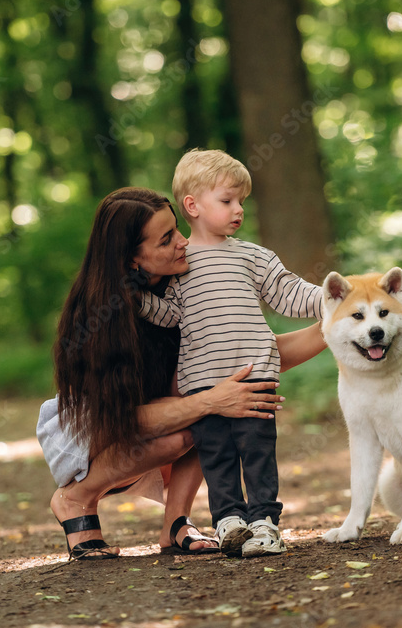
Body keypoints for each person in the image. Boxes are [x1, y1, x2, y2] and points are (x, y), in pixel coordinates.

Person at [39, 187, 326, 560]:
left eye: (177, 230)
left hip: (168, 409)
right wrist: (213, 398)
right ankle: (76, 496)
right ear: (132, 261)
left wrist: (333, 327)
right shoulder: (99, 318)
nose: (182, 243)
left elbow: (243, 354)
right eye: (166, 240)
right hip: (94, 427)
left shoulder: (185, 280)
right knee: (203, 412)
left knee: (207, 409)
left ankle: (174, 523)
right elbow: (124, 418)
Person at [136, 149, 323, 557]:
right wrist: (133, 298)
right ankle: (229, 522)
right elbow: (169, 315)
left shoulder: (252, 256)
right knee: (216, 458)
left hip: (255, 377)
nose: (238, 210)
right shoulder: (181, 267)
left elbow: (290, 294)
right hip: (204, 385)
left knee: (257, 454)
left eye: (241, 202)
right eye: (227, 201)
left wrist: (336, 299)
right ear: (193, 206)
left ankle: (264, 523)